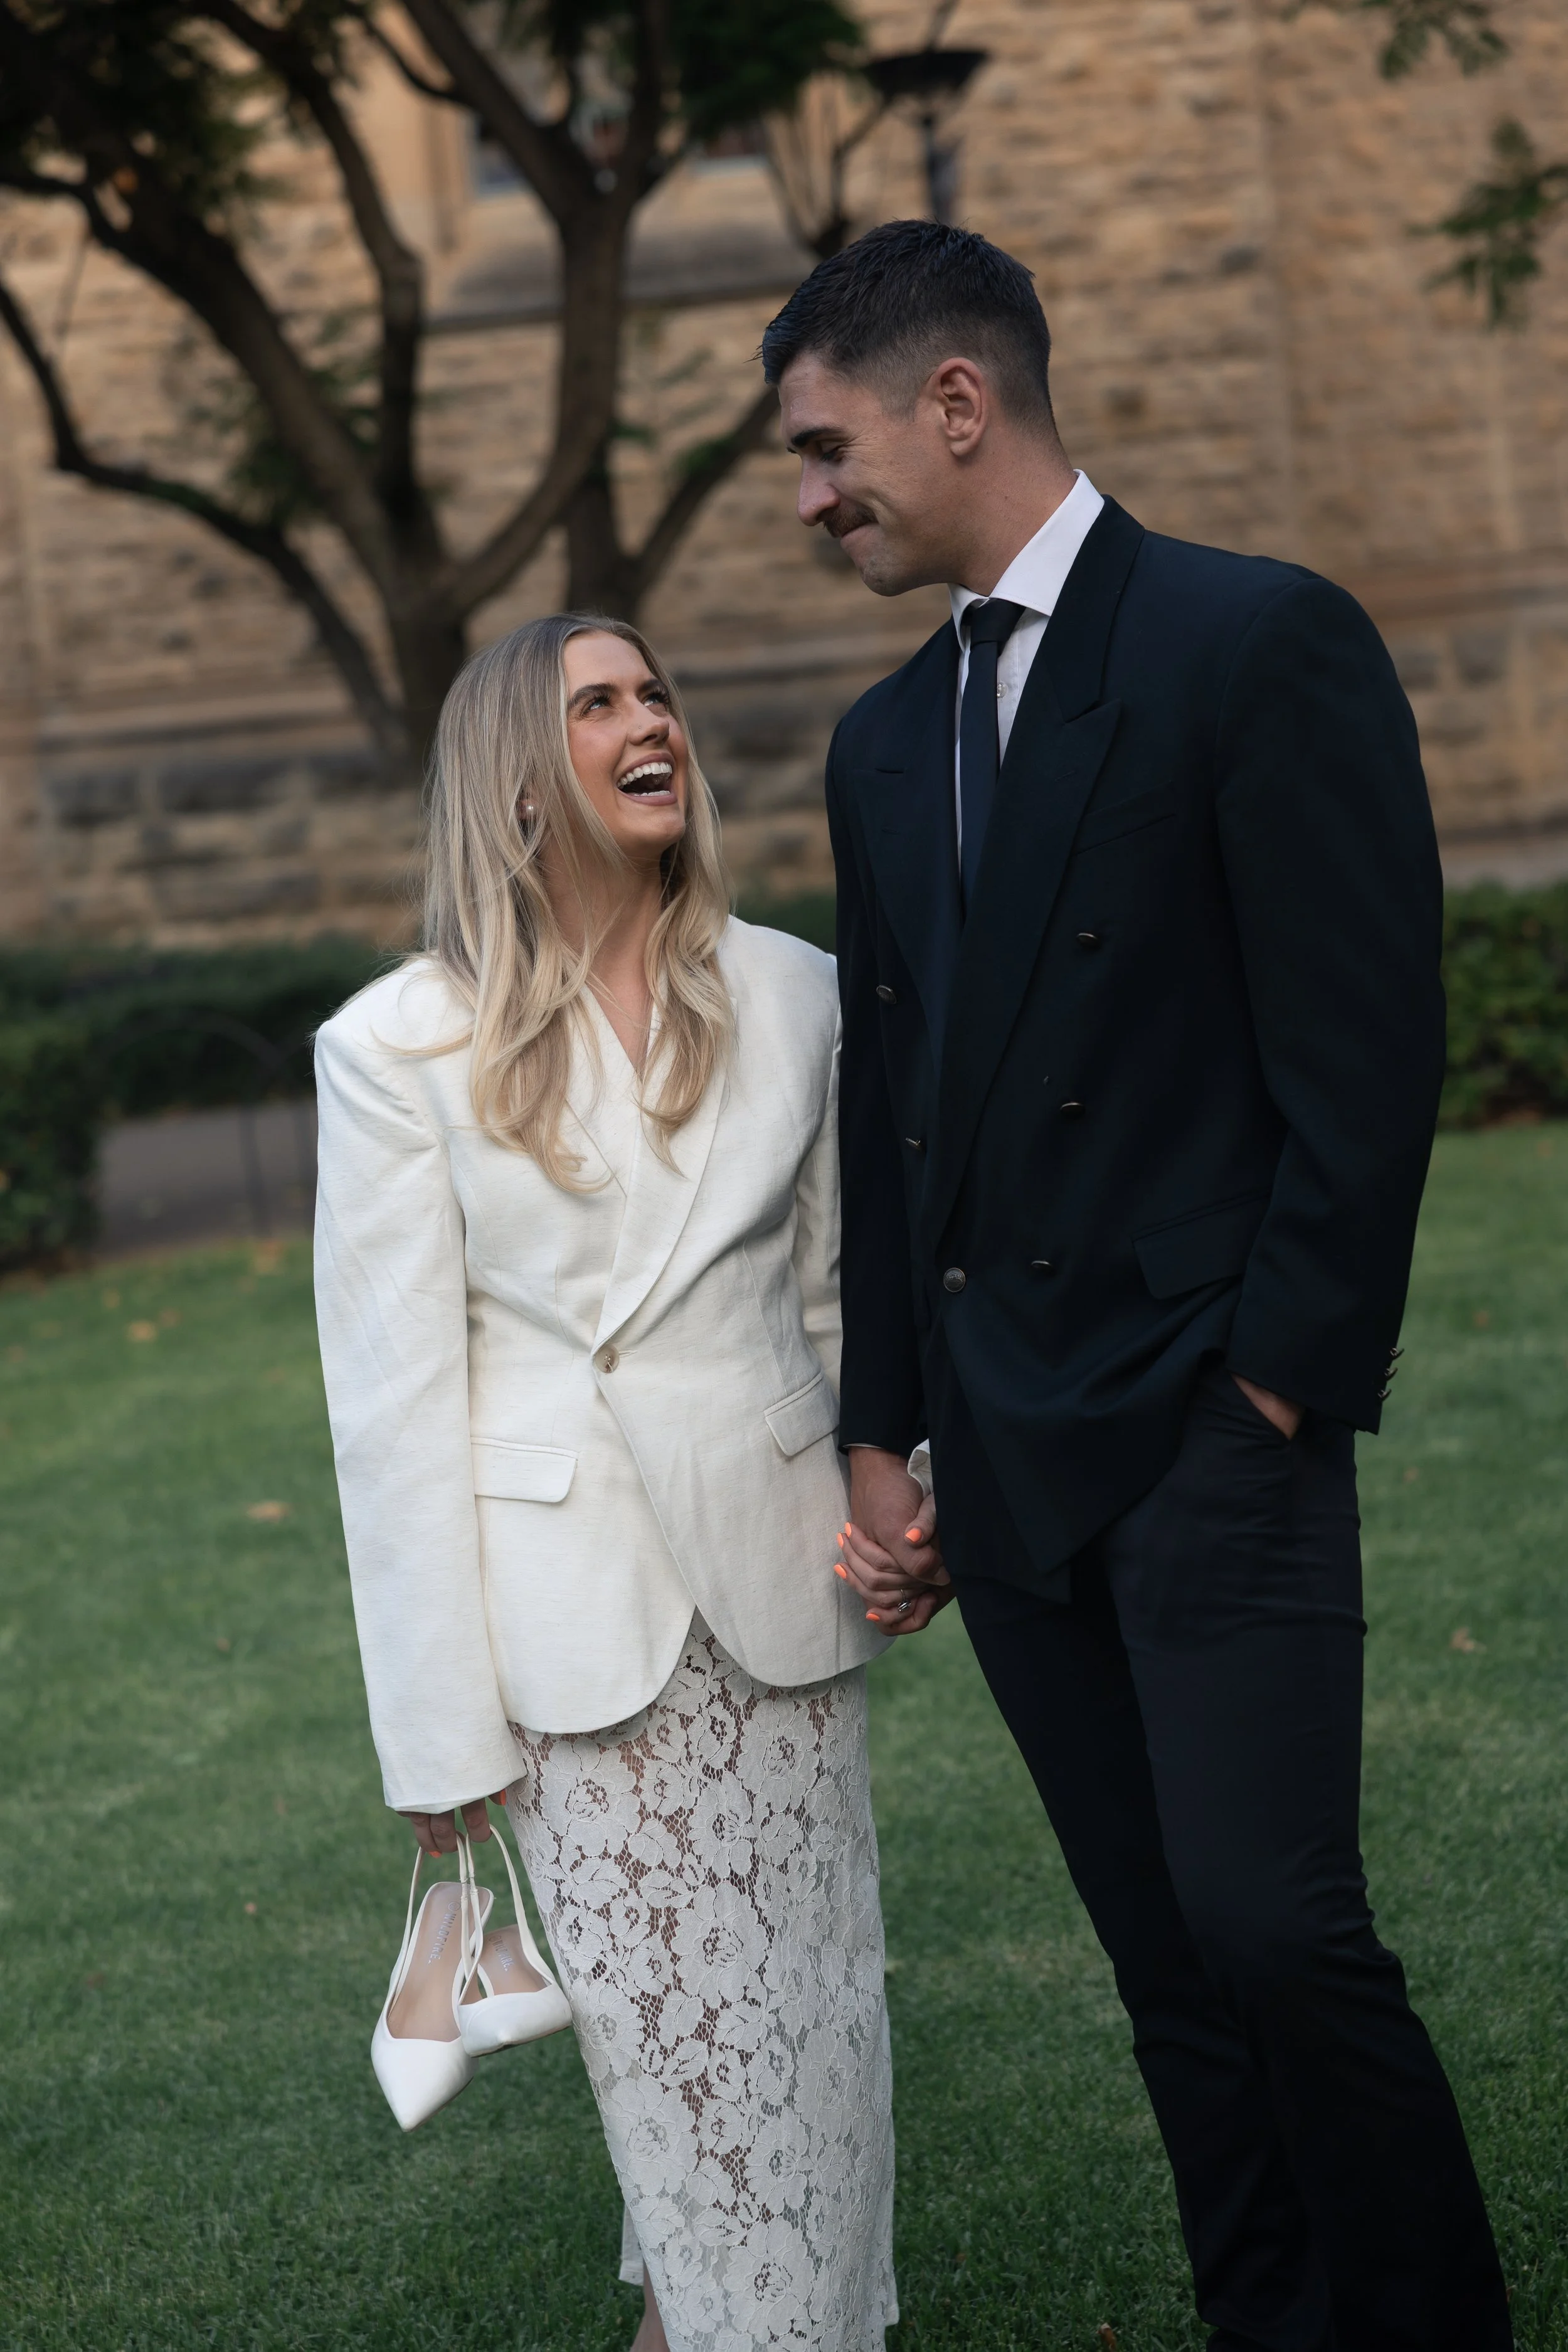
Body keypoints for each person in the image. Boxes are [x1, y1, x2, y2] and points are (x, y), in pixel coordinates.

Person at [761, 219, 1511, 2352]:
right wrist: (889, 1422)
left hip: (1208, 1421)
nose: (811, 500)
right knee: (1167, 1976)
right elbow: (906, 1112)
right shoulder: (883, 744)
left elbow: (1362, 1061)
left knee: (1275, 1930)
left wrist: (1275, 1380)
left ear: (955, 405)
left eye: (824, 449)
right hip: (1004, 1462)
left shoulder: (1249, 640)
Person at [312, 613, 902, 2352]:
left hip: (785, 1611)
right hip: (577, 1663)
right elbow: (394, 1410)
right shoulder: (399, 1045)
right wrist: (440, 1752)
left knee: (808, 2059)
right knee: (697, 2095)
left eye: (656, 693)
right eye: (598, 704)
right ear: (515, 774)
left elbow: (832, 1304)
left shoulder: (793, 989)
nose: (651, 721)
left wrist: (897, 1490)